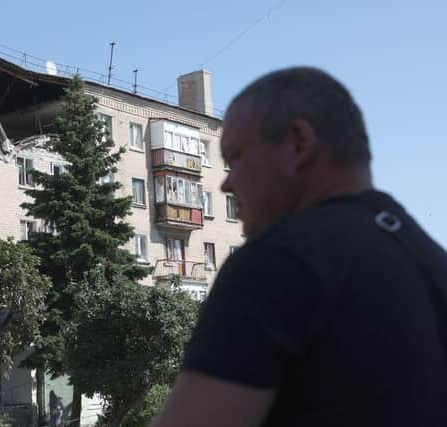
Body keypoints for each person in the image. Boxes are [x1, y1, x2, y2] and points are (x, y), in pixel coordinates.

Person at [152, 67, 447, 427]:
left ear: (298, 143)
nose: (226, 185)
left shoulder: (279, 262)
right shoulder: (428, 258)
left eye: (234, 158)